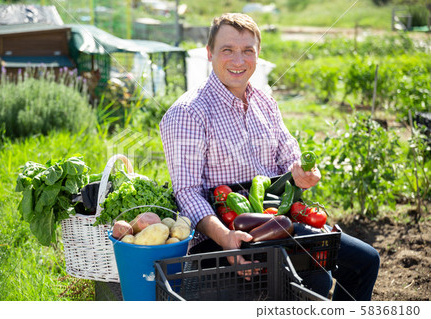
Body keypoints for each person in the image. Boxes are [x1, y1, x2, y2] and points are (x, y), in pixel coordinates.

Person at [159, 13, 379, 301]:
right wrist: (226, 239)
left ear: (258, 54)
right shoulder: (188, 112)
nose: (238, 61)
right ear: (210, 53)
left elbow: (290, 156)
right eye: (228, 50)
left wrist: (303, 172)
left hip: (277, 222)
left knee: (366, 261)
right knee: (316, 278)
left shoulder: (265, 101)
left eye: (247, 51)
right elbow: (186, 192)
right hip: (222, 234)